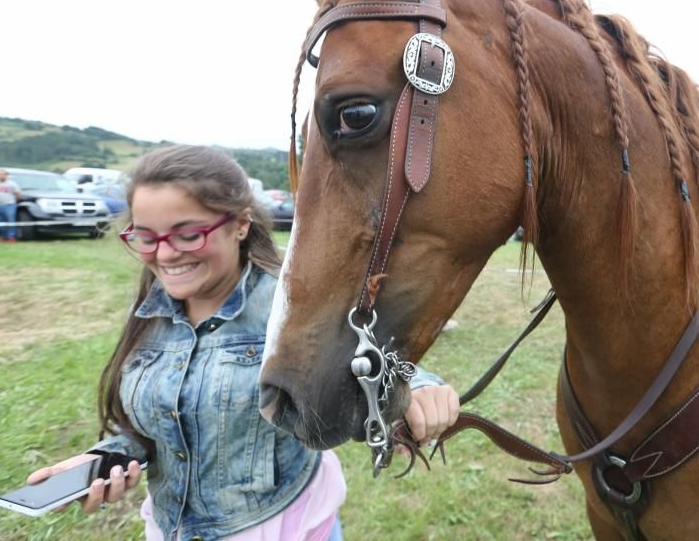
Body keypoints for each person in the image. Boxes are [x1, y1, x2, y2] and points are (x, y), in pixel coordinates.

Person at [24, 145, 460, 539]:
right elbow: (159, 423)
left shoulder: (292, 304)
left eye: (187, 233)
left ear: (240, 225)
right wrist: (103, 460)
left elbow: (376, 361)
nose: (164, 254)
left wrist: (421, 391)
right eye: (145, 236)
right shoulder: (149, 313)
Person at [0, 168, 21, 242]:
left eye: (2, 174)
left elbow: (17, 194)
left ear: (7, 175)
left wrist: (13, 202)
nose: (0, 176)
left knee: (10, 220)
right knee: (0, 222)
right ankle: (3, 236)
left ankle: (11, 237)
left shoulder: (13, 184)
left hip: (9, 205)